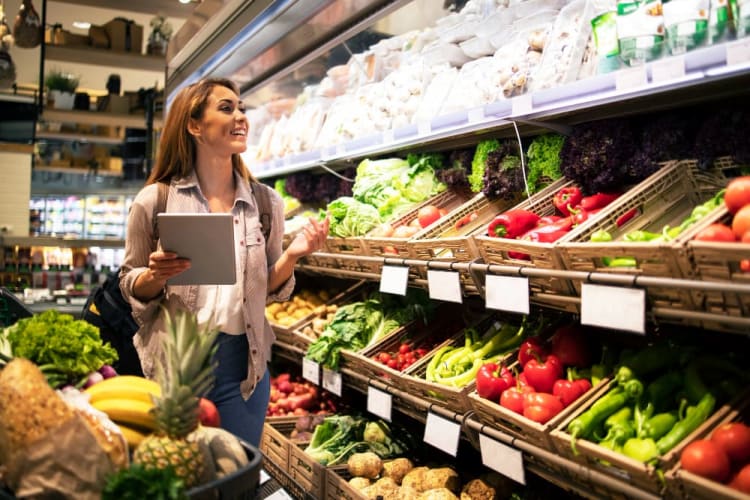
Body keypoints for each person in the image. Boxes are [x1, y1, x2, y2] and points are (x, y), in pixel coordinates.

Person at [119, 77, 329, 446]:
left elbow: (265, 292)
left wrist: (293, 256)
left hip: (243, 368)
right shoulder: (155, 200)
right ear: (194, 125)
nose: (241, 118)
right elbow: (128, 282)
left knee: (234, 478)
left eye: (242, 108)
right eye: (226, 108)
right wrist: (154, 276)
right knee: (182, 477)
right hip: (176, 365)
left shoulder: (265, 203)